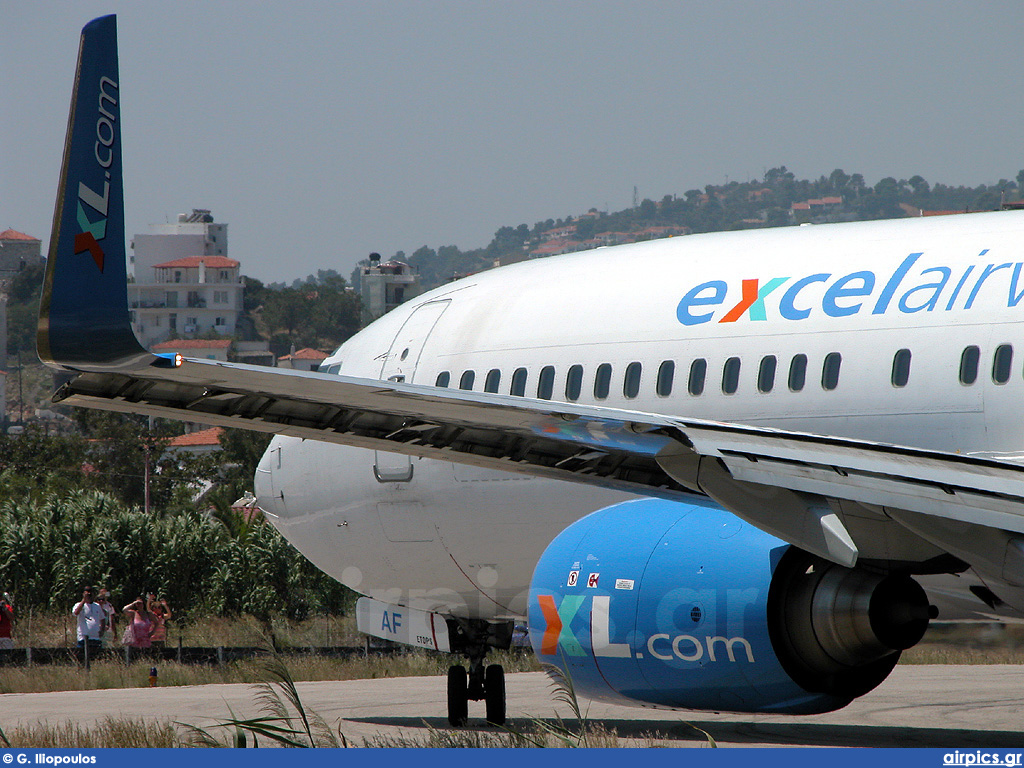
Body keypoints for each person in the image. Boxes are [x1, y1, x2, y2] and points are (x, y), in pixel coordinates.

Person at [72, 587, 104, 652]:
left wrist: (102, 630)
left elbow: (102, 619)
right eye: (87, 593)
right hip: (83, 637)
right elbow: (76, 613)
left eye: (90, 593)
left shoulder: (97, 606)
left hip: (95, 638)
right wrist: (84, 600)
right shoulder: (79, 605)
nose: (89, 595)